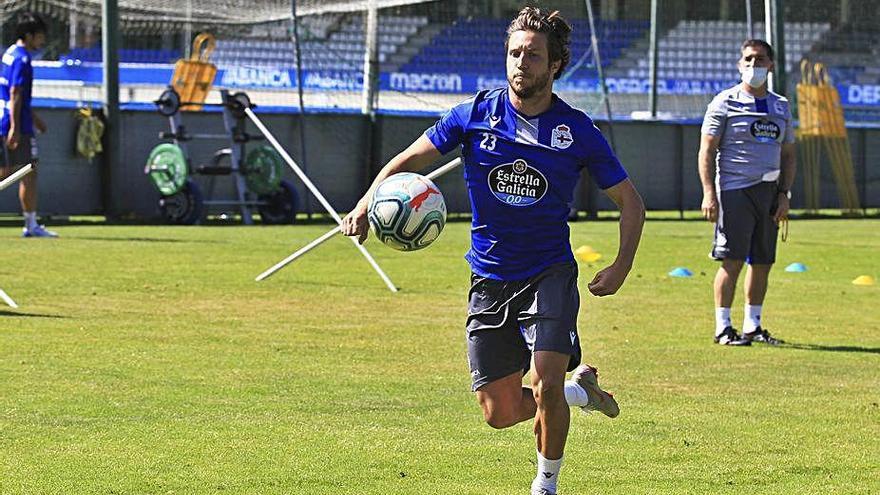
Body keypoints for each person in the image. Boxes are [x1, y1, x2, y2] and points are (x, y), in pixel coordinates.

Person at [342, 7, 644, 495]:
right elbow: (406, 161)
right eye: (515, 52)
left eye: (533, 55)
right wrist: (365, 202)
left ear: (555, 66)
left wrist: (622, 265)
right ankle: (577, 391)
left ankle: (546, 484)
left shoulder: (577, 130)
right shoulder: (473, 115)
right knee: (499, 412)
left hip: (549, 273)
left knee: (544, 380)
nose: (521, 62)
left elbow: (631, 201)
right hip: (490, 278)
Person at [698, 39, 796, 346]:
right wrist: (708, 193)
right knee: (733, 259)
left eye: (761, 59)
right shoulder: (724, 101)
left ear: (771, 65)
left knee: (763, 261)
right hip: (734, 191)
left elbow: (789, 154)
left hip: (770, 192)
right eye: (749, 59)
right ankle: (723, 327)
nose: (754, 65)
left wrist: (784, 194)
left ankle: (753, 325)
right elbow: (706, 150)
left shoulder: (781, 106)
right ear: (740, 65)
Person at [1, 11, 57, 238]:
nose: (42, 41)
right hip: (16, 124)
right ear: (30, 35)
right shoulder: (23, 59)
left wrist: (35, 119)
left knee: (14, 172)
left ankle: (31, 224)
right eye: (40, 36)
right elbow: (15, 92)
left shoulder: (8, 54)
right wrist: (16, 126)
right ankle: (31, 224)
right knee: (27, 171)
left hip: (7, 119)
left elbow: (12, 94)